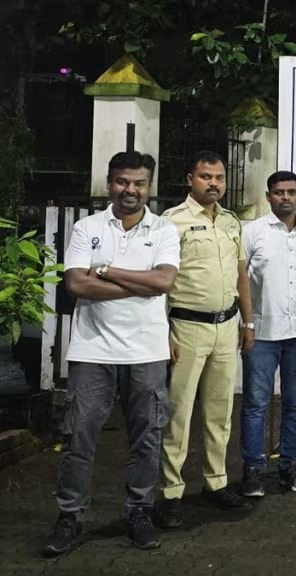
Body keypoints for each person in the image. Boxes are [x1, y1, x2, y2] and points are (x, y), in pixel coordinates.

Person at [43, 151, 180, 556]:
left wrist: (105, 271)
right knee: (78, 437)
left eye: (139, 183)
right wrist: (140, 285)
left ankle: (139, 511)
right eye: (122, 181)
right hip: (92, 350)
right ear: (110, 183)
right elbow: (76, 286)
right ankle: (70, 516)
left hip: (147, 351)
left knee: (147, 438)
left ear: (149, 186)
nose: (130, 190)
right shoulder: (87, 227)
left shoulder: (164, 229)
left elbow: (164, 282)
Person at [158, 150, 255, 528]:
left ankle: (216, 483)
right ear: (190, 179)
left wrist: (248, 323)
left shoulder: (231, 221)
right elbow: (161, 282)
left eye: (219, 177)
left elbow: (241, 275)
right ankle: (170, 492)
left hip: (226, 327)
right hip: (186, 328)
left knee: (220, 411)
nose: (213, 183)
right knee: (178, 414)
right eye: (205, 177)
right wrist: (164, 332)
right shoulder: (171, 222)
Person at [239, 171, 296, 497]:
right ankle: (252, 470)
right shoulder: (252, 232)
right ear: (269, 196)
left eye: (291, 192)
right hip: (262, 333)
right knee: (255, 404)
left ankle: (291, 466)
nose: (285, 197)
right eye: (279, 192)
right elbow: (241, 279)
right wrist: (248, 322)